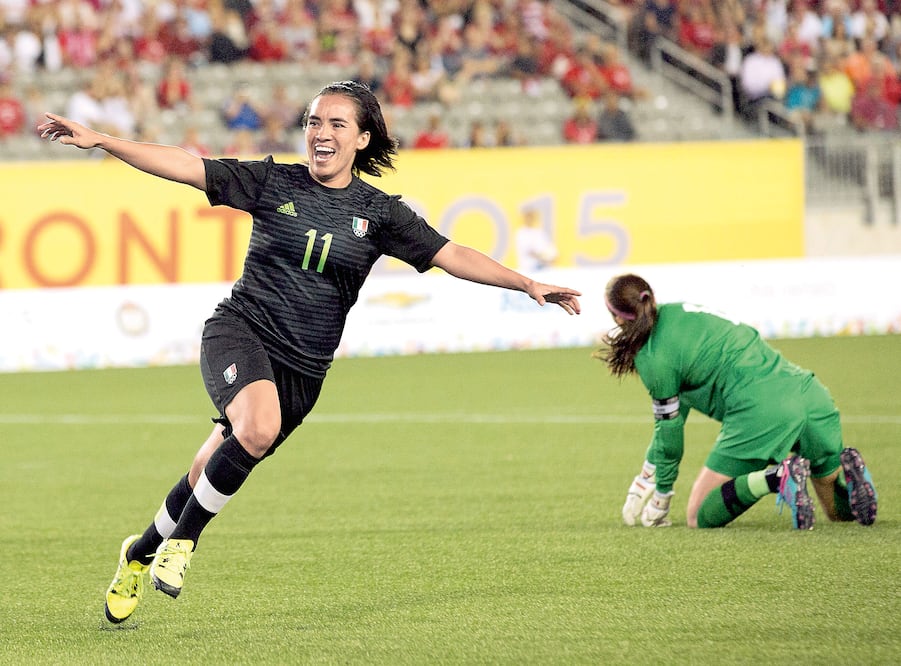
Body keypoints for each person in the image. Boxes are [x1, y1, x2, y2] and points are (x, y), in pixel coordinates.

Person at [37, 80, 581, 624]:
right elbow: (185, 165)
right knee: (256, 427)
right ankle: (185, 544)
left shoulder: (380, 213)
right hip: (241, 330)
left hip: (304, 369)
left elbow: (450, 252)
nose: (321, 134)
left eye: (336, 124)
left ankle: (138, 554)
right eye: (314, 122)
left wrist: (526, 283)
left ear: (362, 139)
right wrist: (102, 141)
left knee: (209, 465)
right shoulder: (273, 181)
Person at [595, 273, 877, 531]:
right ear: (650, 297)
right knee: (836, 513)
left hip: (761, 409)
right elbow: (678, 411)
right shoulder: (681, 311)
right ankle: (854, 487)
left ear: (617, 317)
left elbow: (669, 434)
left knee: (697, 516)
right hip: (811, 395)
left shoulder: (653, 359)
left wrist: (662, 494)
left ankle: (777, 477)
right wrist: (648, 472)